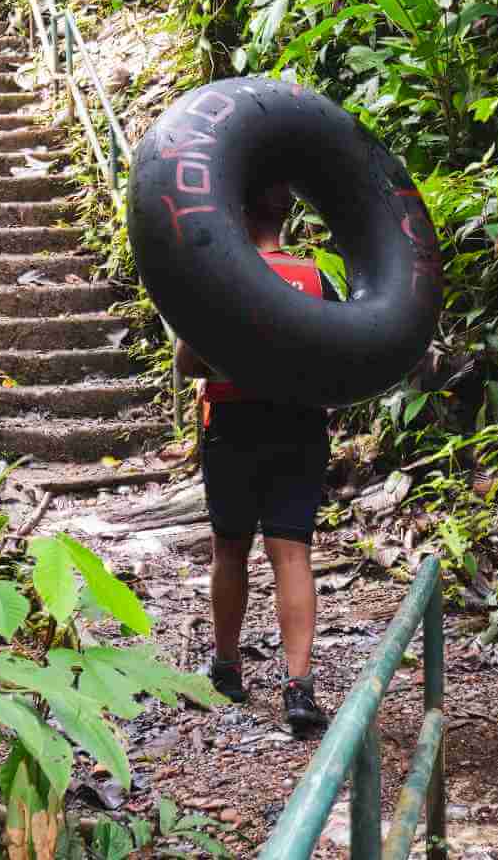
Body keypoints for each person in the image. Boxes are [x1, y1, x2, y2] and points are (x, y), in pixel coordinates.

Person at [174, 180, 337, 735]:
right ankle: (298, 686)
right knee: (292, 553)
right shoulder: (314, 277)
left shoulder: (221, 273)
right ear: (284, 218)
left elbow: (187, 362)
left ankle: (227, 669)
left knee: (231, 549)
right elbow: (342, 355)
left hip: (233, 425)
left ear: (239, 217)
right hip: (300, 424)